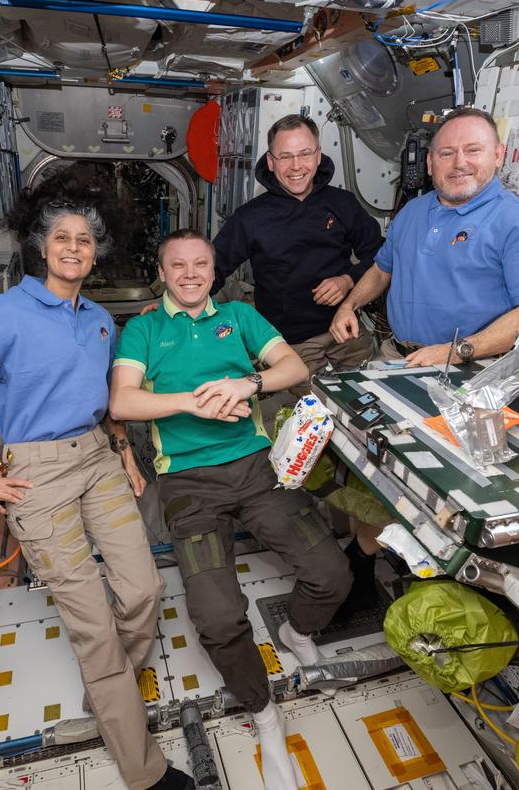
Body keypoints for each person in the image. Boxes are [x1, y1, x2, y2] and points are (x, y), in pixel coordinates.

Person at [0, 176, 193, 790]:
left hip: (97, 457)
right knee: (93, 622)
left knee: (144, 588)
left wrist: (122, 452)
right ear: (41, 246)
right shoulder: (2, 315)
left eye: (85, 240)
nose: (74, 248)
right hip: (36, 475)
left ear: (97, 252)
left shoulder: (99, 319)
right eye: (61, 238)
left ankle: (109, 686)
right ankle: (143, 768)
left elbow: (107, 399)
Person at [110, 229, 351, 790]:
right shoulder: (144, 328)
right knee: (218, 618)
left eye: (201, 264)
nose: (190, 274)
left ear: (214, 270)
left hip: (257, 468)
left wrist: (244, 385)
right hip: (188, 484)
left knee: (331, 574)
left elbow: (293, 367)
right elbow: (122, 400)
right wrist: (197, 400)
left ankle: (296, 630)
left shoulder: (240, 316)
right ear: (162, 272)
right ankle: (264, 710)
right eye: (178, 265)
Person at [330, 106, 519, 366]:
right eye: (446, 153)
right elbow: (382, 270)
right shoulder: (412, 211)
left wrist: (456, 351)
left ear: (498, 155)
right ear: (429, 163)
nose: (459, 163)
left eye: (473, 150)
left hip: (472, 366)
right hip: (397, 355)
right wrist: (349, 305)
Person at [212, 114, 382, 390]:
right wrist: (173, 308)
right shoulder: (251, 217)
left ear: (318, 155)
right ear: (270, 161)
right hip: (291, 345)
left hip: (347, 331)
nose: (296, 166)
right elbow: (214, 268)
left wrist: (348, 280)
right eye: (285, 156)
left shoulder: (343, 204)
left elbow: (380, 254)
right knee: (312, 421)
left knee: (366, 405)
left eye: (304, 154)